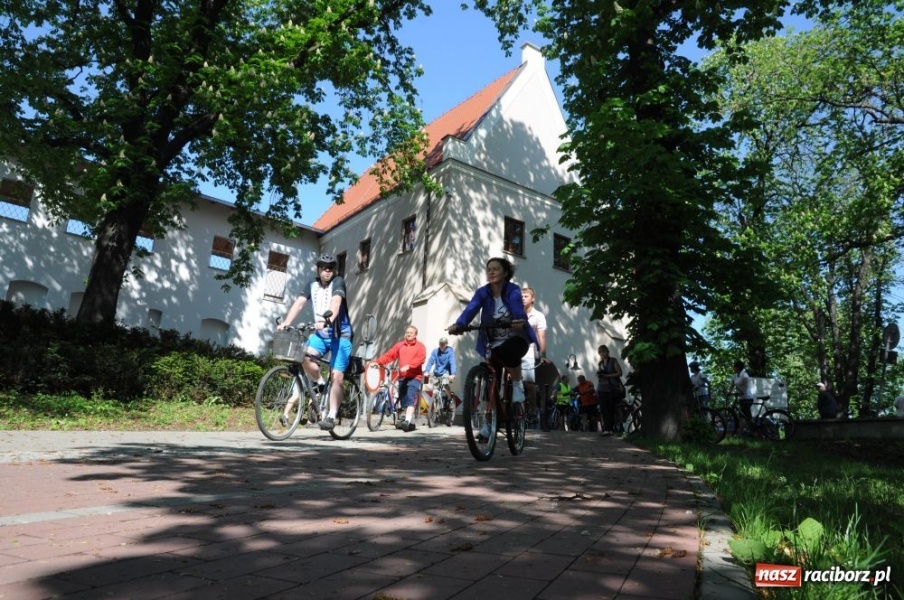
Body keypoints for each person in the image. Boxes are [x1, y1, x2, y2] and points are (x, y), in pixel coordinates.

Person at [448, 257, 539, 436]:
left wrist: (519, 320)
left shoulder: (512, 290)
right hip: (491, 341)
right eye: (489, 269)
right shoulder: (483, 292)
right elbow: (471, 309)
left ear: (505, 272)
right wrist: (459, 324)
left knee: (508, 353)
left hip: (516, 337)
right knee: (490, 383)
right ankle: (489, 424)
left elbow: (517, 308)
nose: (491, 272)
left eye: (496, 269)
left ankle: (518, 384)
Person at [278, 253, 353, 431]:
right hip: (320, 335)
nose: (327, 271)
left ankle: (332, 415)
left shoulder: (338, 282)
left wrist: (327, 320)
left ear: (334, 270)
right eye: (323, 267)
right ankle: (320, 384)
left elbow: (335, 303)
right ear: (318, 269)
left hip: (340, 336)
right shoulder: (311, 284)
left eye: (330, 268)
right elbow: (299, 303)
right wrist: (287, 322)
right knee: (302, 356)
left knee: (336, 376)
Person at [374, 325, 427, 432]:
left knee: (410, 397)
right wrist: (378, 362)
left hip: (414, 377)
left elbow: (421, 359)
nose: (408, 334)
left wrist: (409, 366)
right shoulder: (400, 345)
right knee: (404, 400)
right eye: (407, 332)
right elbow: (390, 355)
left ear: (415, 334)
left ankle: (407, 421)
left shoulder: (420, 346)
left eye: (411, 332)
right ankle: (407, 419)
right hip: (403, 377)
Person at [521, 287, 550, 425]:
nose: (522, 298)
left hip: (529, 351)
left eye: (526, 296)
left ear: (532, 299)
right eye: (521, 296)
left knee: (529, 383)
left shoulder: (538, 316)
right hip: (515, 349)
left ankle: (532, 411)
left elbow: (542, 336)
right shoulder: (516, 313)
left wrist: (543, 355)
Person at [596, 345, 623, 436]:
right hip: (601, 388)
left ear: (608, 352)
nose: (603, 354)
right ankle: (606, 428)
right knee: (603, 409)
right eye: (601, 352)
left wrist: (608, 376)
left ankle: (611, 427)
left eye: (604, 352)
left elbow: (619, 373)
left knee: (611, 408)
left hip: (611, 388)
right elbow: (600, 376)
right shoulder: (600, 363)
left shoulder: (613, 361)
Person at [732, 360, 754, 428]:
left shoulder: (744, 376)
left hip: (747, 398)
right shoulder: (735, 376)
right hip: (742, 398)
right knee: (742, 416)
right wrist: (729, 392)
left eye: (734, 367)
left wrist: (739, 392)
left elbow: (744, 388)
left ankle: (756, 430)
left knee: (747, 417)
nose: (733, 368)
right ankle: (740, 432)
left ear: (737, 368)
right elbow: (732, 384)